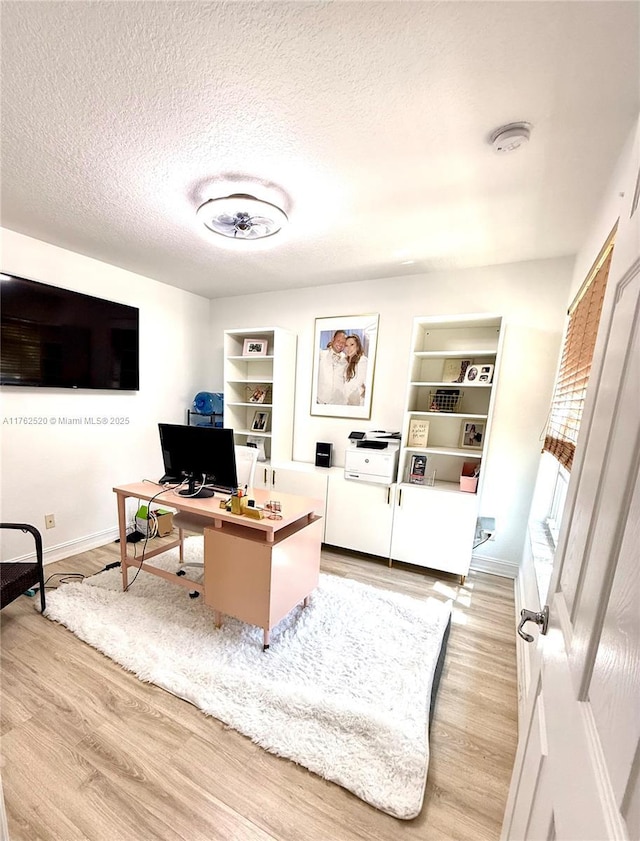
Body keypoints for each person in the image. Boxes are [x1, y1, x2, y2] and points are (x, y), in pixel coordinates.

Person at [316, 330, 347, 404]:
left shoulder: (346, 359)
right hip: (321, 402)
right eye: (338, 340)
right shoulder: (321, 354)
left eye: (343, 342)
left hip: (338, 403)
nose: (340, 344)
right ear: (333, 340)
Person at [342, 334, 368, 406]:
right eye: (346, 345)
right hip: (347, 403)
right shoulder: (347, 362)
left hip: (357, 403)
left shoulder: (362, 360)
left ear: (357, 346)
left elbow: (366, 384)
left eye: (352, 344)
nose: (348, 348)